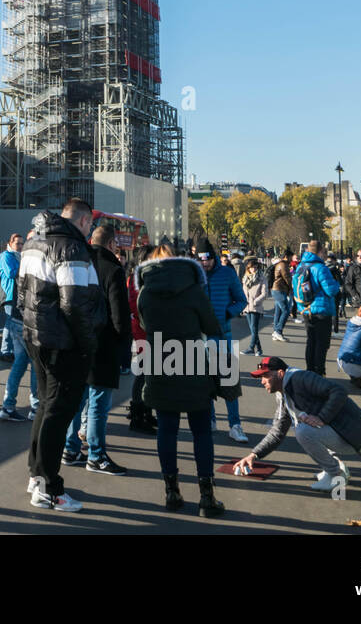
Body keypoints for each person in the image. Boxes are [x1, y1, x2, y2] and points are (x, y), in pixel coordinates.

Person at [19, 197, 101, 513]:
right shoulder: (71, 248)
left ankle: (36, 473)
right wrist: (88, 343)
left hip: (36, 336)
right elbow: (75, 304)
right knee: (58, 412)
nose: (91, 230)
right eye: (90, 224)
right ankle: (48, 487)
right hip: (63, 342)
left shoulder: (34, 243)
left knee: (45, 407)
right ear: (82, 221)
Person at [137, 243, 225, 517]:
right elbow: (212, 327)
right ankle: (206, 497)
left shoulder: (145, 293)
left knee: (167, 428)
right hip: (192, 361)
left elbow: (143, 325)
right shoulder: (194, 289)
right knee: (201, 430)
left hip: (160, 360)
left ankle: (172, 492)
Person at [234, 356, 361, 494]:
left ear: (280, 373)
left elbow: (339, 391)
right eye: (261, 377)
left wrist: (322, 418)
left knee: (303, 431)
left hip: (357, 436)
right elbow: (277, 432)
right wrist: (254, 455)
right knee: (305, 426)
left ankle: (335, 475)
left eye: (265, 376)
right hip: (344, 433)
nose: (262, 381)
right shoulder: (283, 393)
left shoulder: (300, 378)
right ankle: (335, 467)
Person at [62, 221, 130, 476]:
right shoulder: (113, 269)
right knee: (99, 405)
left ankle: (69, 449)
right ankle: (96, 455)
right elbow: (119, 314)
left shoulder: (79, 263)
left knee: (77, 401)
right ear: (112, 244)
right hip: (103, 345)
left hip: (77, 342)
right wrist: (123, 345)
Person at [196, 238, 250, 444]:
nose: (204, 264)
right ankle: (211, 420)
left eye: (207, 260)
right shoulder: (194, 275)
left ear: (213, 257)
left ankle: (235, 425)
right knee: (205, 384)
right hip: (201, 338)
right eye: (201, 261)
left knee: (229, 385)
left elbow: (242, 300)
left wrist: (227, 313)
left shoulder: (227, 273)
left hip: (222, 337)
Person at [0, 230, 40, 422]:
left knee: (20, 363)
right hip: (25, 319)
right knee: (35, 363)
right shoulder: (18, 260)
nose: (22, 246)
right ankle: (35, 407)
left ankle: (8, 406)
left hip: (17, 317)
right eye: (19, 243)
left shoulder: (22, 260)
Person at [296, 240, 341, 377]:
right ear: (320, 252)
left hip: (305, 308)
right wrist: (336, 282)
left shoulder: (301, 266)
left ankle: (310, 370)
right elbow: (331, 290)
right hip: (321, 310)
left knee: (311, 341)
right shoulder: (321, 268)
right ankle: (319, 372)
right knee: (322, 344)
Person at [125, 246, 157, 434]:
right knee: (144, 373)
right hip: (144, 329)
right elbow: (135, 305)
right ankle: (138, 415)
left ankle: (145, 410)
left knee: (149, 373)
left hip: (148, 328)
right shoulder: (137, 277)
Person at [0, 233, 22, 362]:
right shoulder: (6, 256)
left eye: (21, 243)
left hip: (18, 294)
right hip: (9, 294)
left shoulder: (19, 257)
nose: (20, 246)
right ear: (10, 243)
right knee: (9, 323)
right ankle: (5, 351)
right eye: (17, 243)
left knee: (15, 324)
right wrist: (25, 265)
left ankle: (12, 350)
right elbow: (11, 273)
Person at [240, 257, 269, 357]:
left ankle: (251, 348)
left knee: (254, 328)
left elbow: (265, 293)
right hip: (247, 306)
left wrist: (256, 301)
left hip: (256, 306)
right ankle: (259, 349)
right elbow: (243, 292)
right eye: (252, 267)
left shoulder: (262, 278)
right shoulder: (245, 278)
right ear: (248, 268)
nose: (254, 269)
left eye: (255, 267)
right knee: (253, 329)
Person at [270, 255, 293, 342]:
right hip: (279, 289)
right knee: (286, 311)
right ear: (286, 257)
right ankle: (278, 331)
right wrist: (291, 288)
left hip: (277, 289)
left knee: (278, 311)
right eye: (291, 257)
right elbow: (287, 277)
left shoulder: (280, 264)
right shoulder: (283, 265)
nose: (291, 260)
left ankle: (276, 332)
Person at [342, 249, 361, 325]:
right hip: (359, 301)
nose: (360, 257)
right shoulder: (353, 268)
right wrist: (355, 295)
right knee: (360, 324)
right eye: (358, 256)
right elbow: (348, 283)